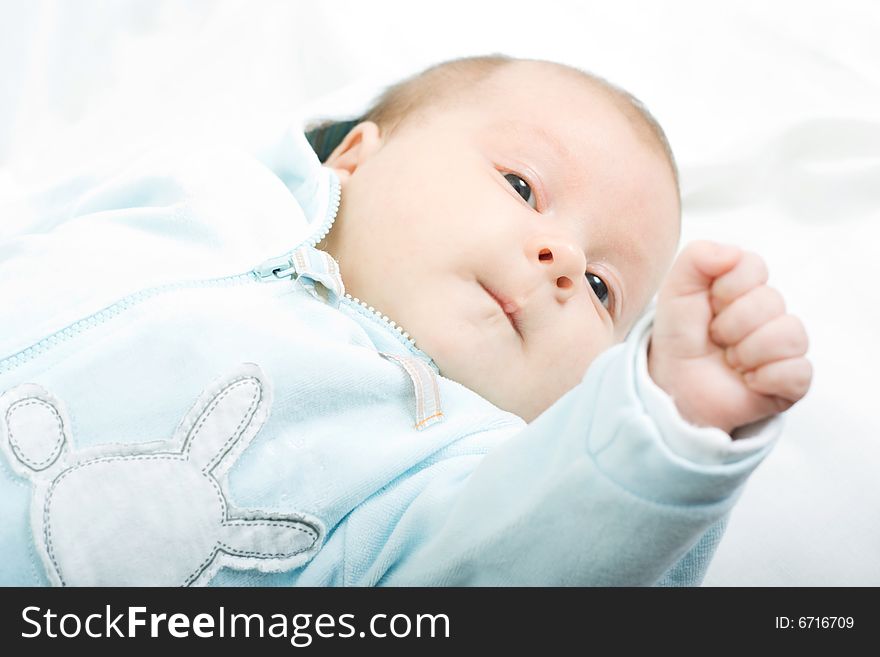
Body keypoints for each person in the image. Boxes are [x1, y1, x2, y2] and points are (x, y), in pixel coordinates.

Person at [0, 55, 810, 586]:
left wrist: (666, 440)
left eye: (603, 289)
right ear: (355, 154)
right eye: (523, 187)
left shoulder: (448, 480)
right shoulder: (200, 186)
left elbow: (546, 561)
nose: (563, 258)